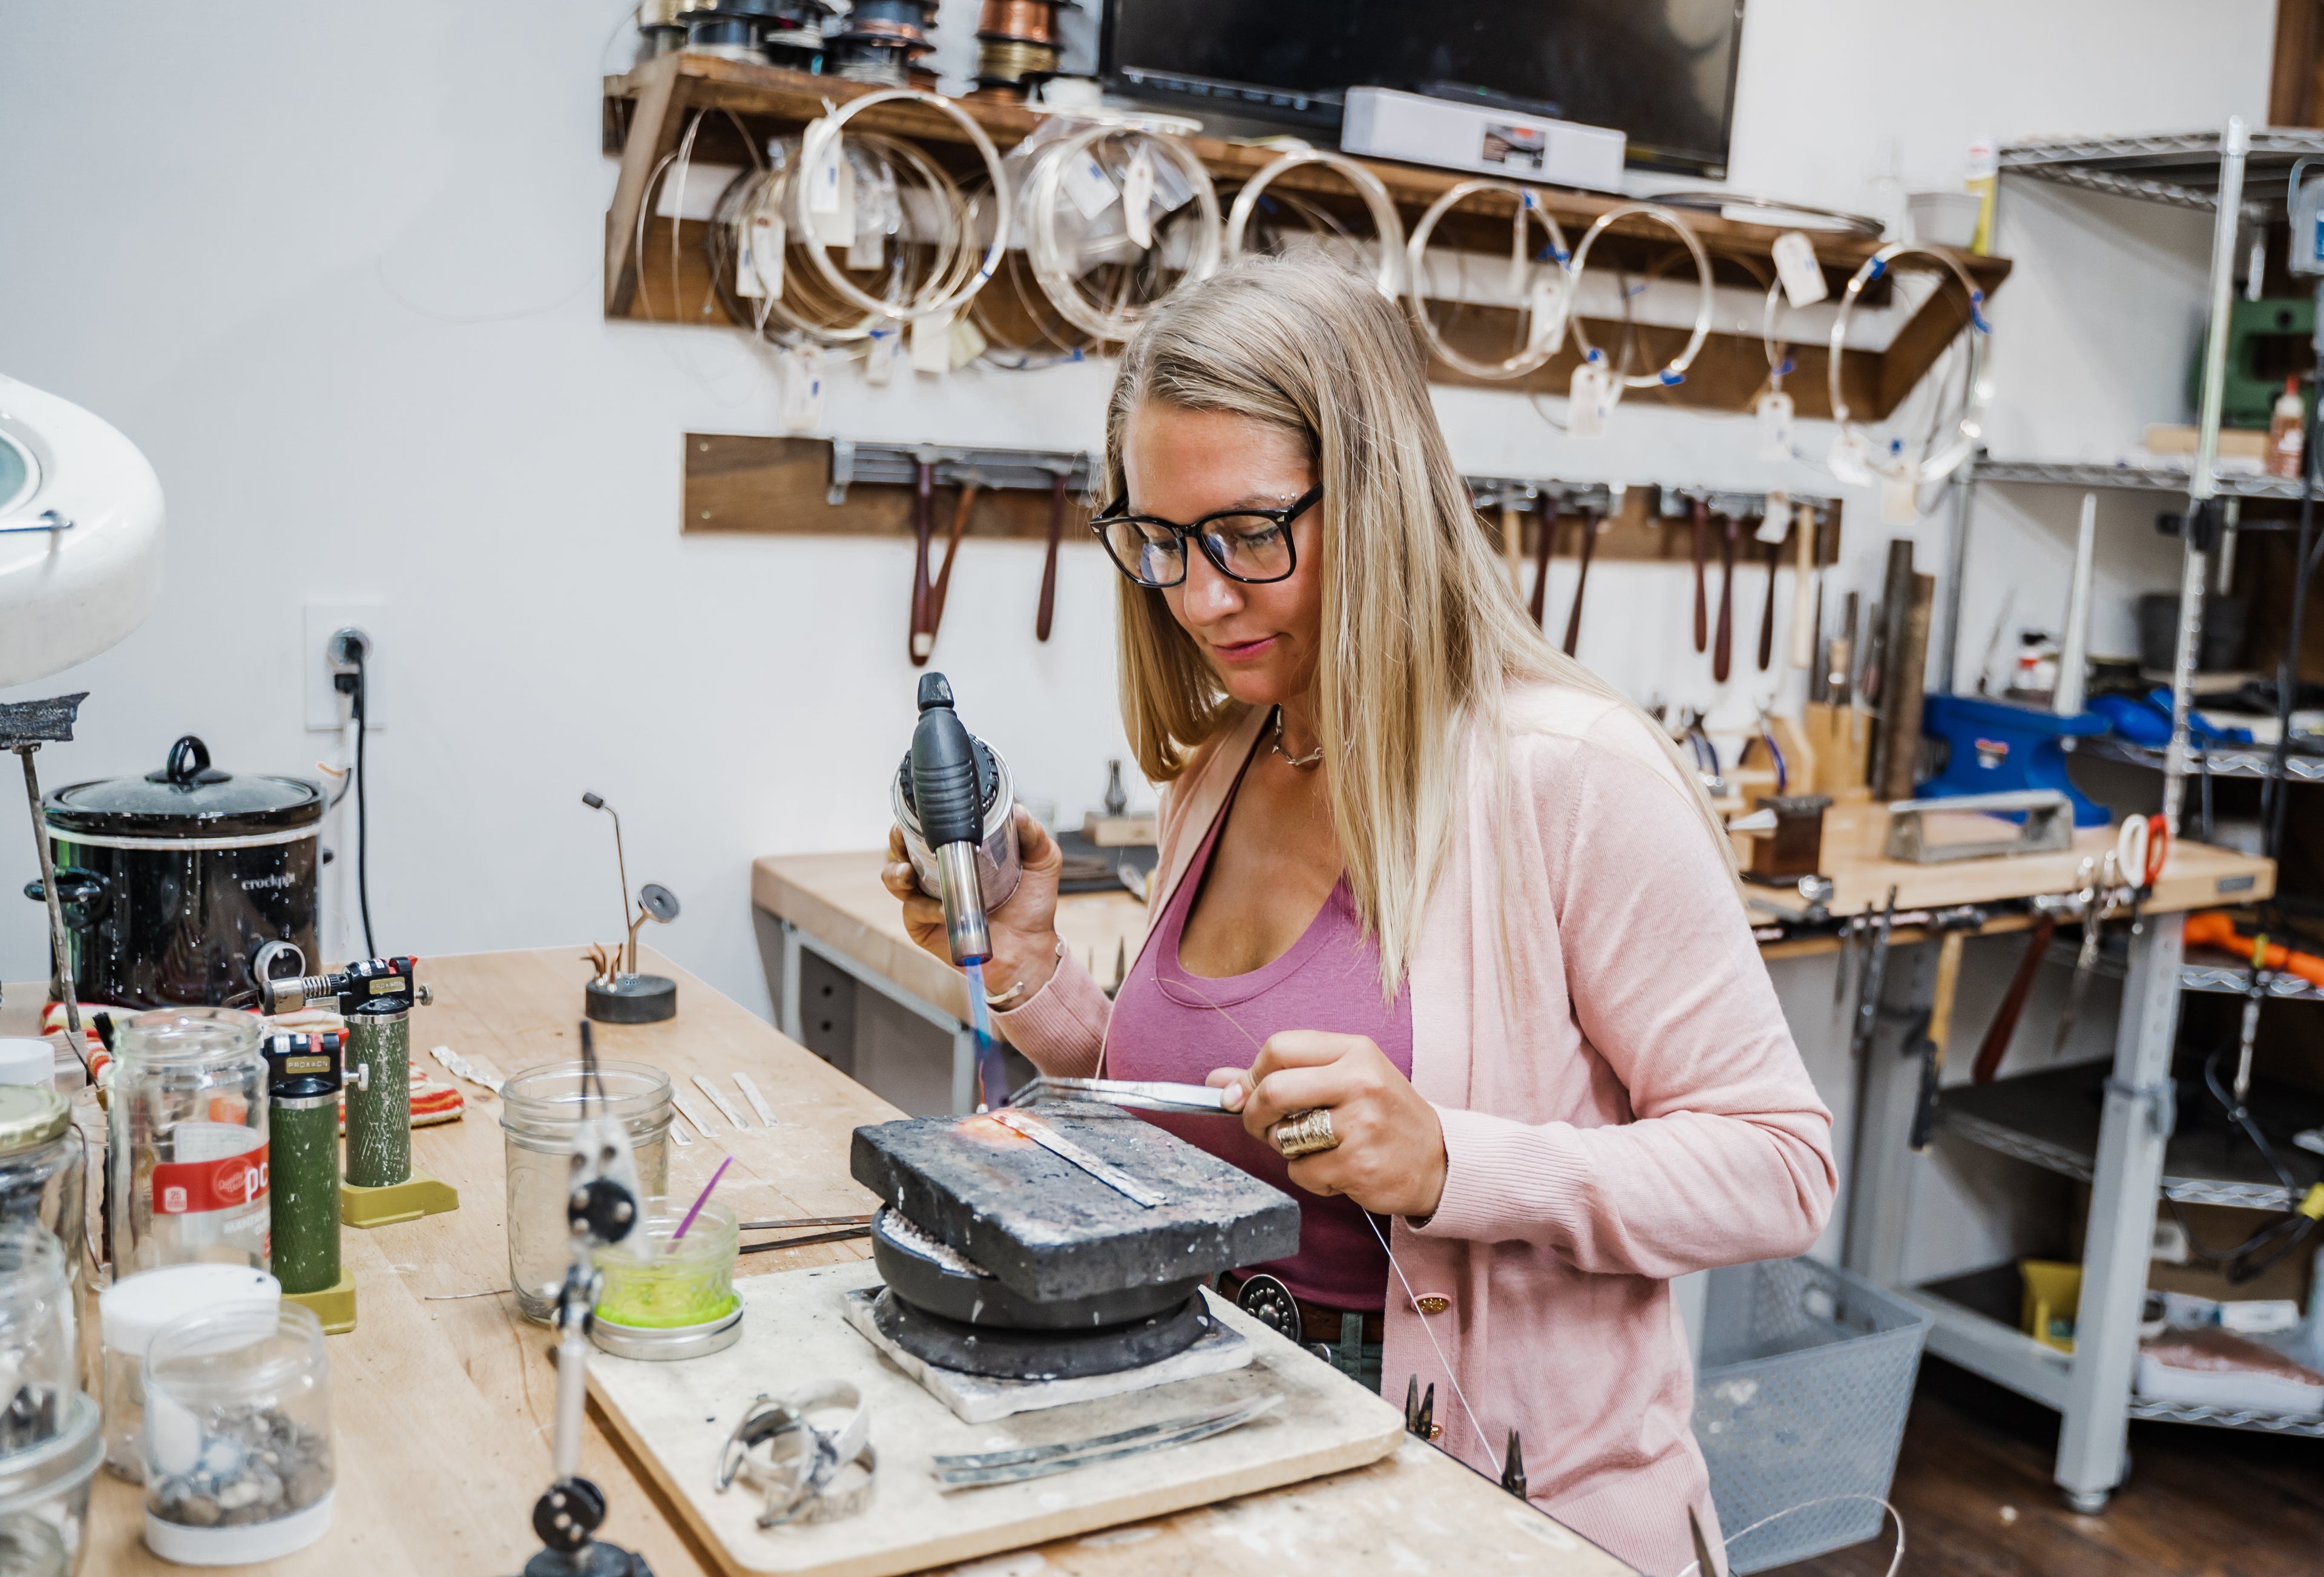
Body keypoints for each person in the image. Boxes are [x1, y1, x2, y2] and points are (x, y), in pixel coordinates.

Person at [882, 253, 1835, 1573]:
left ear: (1377, 499)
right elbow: (1218, 1126)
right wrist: (1037, 975)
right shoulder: (1224, 765)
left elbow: (1784, 1165)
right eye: (1159, 543)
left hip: (1493, 1518)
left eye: (1249, 534)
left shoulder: (1569, 776)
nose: (1201, 596)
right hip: (1232, 1464)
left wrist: (1450, 1159)